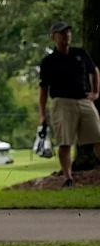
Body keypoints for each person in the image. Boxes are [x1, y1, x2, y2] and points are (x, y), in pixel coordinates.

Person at [39, 21, 100, 187]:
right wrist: (42, 113)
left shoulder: (80, 54)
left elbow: (94, 71)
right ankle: (68, 177)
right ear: (54, 37)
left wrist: (95, 92)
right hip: (62, 103)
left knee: (97, 136)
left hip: (84, 100)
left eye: (67, 32)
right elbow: (43, 88)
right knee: (65, 142)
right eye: (61, 33)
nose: (66, 35)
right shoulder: (49, 61)